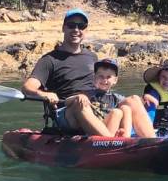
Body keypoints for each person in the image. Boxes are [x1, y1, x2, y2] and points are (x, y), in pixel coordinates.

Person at [21, 8, 110, 136]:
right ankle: (113, 143)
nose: (76, 29)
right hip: (67, 112)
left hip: (95, 107)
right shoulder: (49, 60)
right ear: (63, 28)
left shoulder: (92, 57)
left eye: (81, 26)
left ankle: (147, 143)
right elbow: (27, 87)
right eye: (71, 25)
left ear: (86, 30)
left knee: (131, 101)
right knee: (80, 102)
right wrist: (44, 95)